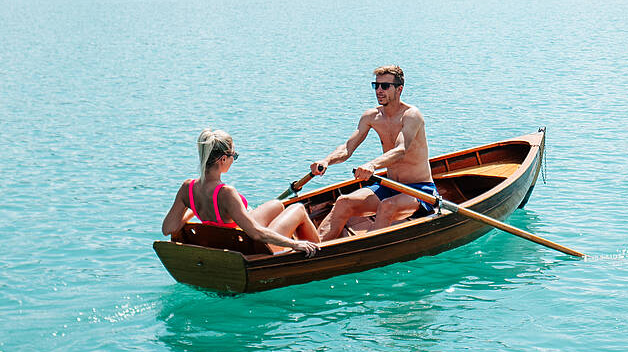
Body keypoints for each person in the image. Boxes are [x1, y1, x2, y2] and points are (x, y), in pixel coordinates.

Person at [309, 65, 436, 240]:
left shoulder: (411, 115)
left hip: (419, 190)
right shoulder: (371, 116)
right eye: (375, 86)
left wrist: (372, 165)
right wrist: (326, 161)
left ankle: (367, 251)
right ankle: (314, 249)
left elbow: (400, 150)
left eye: (385, 86)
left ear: (399, 89)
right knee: (343, 202)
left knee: (387, 207)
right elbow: (347, 148)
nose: (379, 90)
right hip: (390, 185)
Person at [161, 129, 320, 256]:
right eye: (233, 156)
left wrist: (194, 208)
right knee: (297, 209)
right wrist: (294, 244)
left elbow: (167, 228)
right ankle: (320, 248)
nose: (233, 160)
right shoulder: (226, 193)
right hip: (247, 246)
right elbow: (257, 234)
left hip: (224, 240)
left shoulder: (187, 188)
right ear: (223, 159)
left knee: (277, 205)